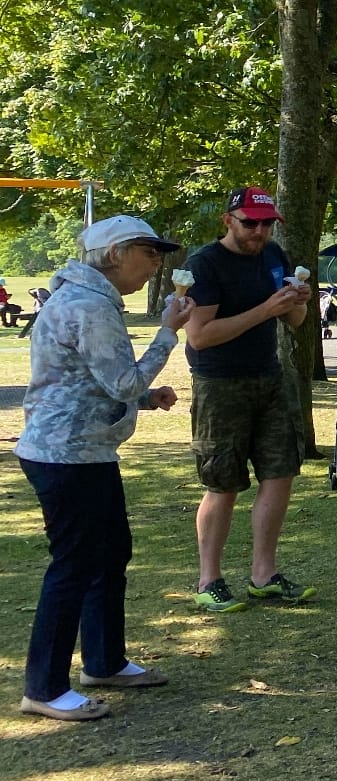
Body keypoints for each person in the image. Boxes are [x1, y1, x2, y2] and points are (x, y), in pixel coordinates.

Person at [15, 215, 193, 720]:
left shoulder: (88, 300)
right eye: (148, 252)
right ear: (113, 254)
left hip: (84, 449)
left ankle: (104, 661)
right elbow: (121, 382)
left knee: (110, 553)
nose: (157, 262)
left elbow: (96, 380)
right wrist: (167, 334)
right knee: (74, 565)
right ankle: (45, 688)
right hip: (67, 454)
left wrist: (144, 398)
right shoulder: (90, 306)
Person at [182, 185, 317, 613]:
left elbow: (293, 321)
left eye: (266, 224)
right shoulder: (205, 265)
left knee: (280, 473)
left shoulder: (274, 257)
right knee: (223, 483)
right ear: (228, 220)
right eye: (250, 223)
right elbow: (200, 336)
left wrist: (298, 303)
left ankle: (264, 576)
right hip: (219, 384)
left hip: (270, 378)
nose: (259, 232)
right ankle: (210, 580)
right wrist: (265, 309)